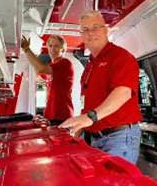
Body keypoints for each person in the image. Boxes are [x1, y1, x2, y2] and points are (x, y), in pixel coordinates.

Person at [59, 11, 142, 163]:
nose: (90, 33)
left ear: (105, 30)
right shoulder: (89, 66)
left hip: (119, 137)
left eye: (95, 27)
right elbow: (87, 104)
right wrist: (78, 129)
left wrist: (90, 118)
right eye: (85, 30)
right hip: (95, 138)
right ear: (81, 35)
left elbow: (123, 92)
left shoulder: (121, 57)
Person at [20, 34, 74, 125]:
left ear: (63, 49)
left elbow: (41, 69)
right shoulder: (52, 67)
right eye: (50, 46)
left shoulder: (65, 63)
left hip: (62, 115)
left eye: (56, 46)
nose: (52, 49)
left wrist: (27, 49)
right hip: (51, 115)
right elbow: (39, 72)